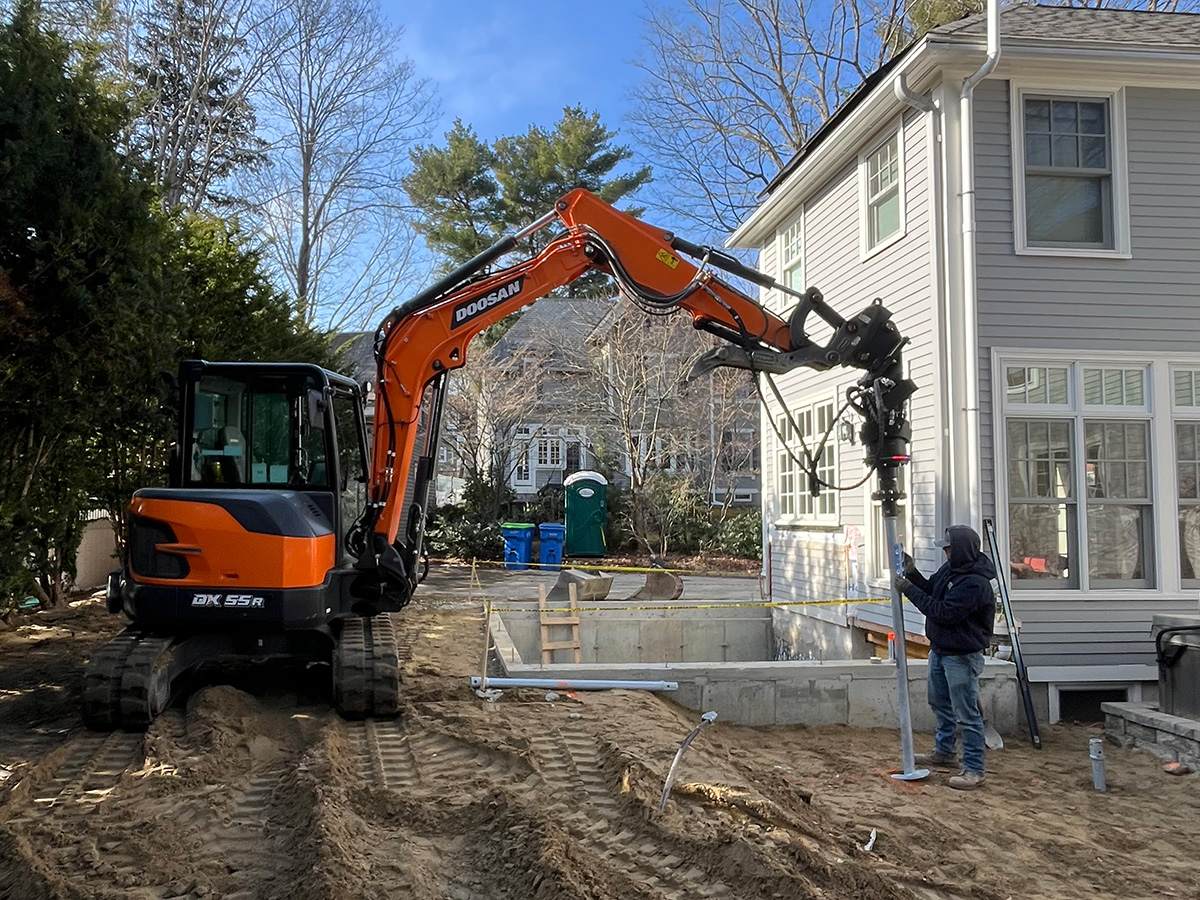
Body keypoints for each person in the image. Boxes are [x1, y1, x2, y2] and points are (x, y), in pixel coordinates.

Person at [896, 525, 996, 790]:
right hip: (941, 650)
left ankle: (974, 769)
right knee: (940, 704)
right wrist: (912, 573)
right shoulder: (951, 570)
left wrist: (907, 588)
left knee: (967, 714)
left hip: (962, 656)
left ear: (962, 549)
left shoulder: (975, 583)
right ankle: (945, 752)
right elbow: (932, 591)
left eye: (949, 548)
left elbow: (942, 612)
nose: (946, 552)